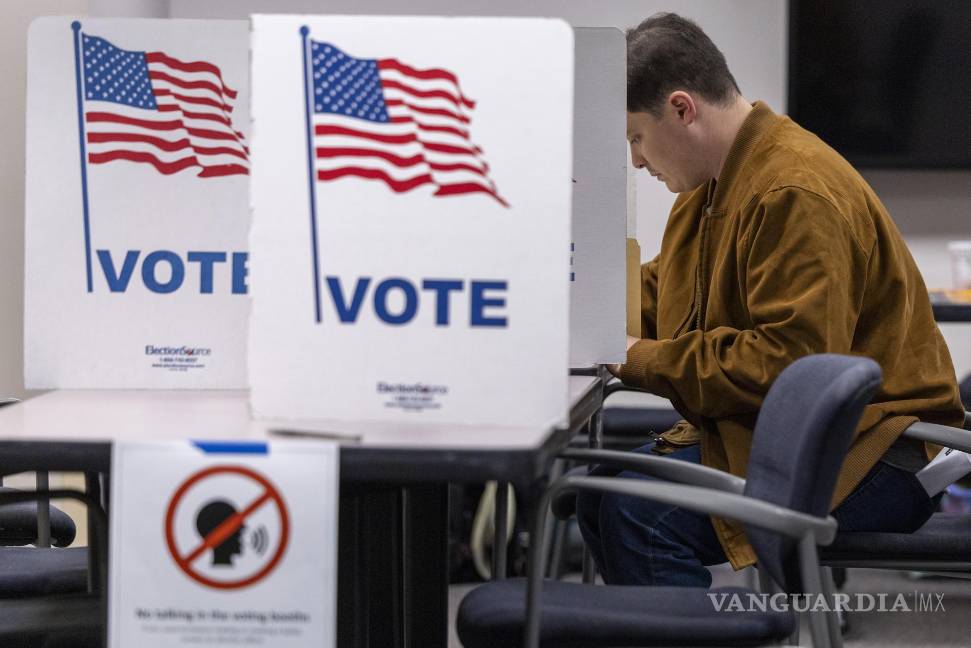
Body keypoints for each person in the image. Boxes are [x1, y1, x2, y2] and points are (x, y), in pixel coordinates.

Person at [579, 12, 964, 588]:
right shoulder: (715, 181)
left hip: (880, 451)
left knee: (641, 515)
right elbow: (667, 292)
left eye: (636, 136)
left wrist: (637, 356)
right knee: (599, 497)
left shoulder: (794, 191)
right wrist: (576, 299)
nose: (635, 159)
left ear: (683, 109)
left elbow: (785, 364)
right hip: (820, 434)